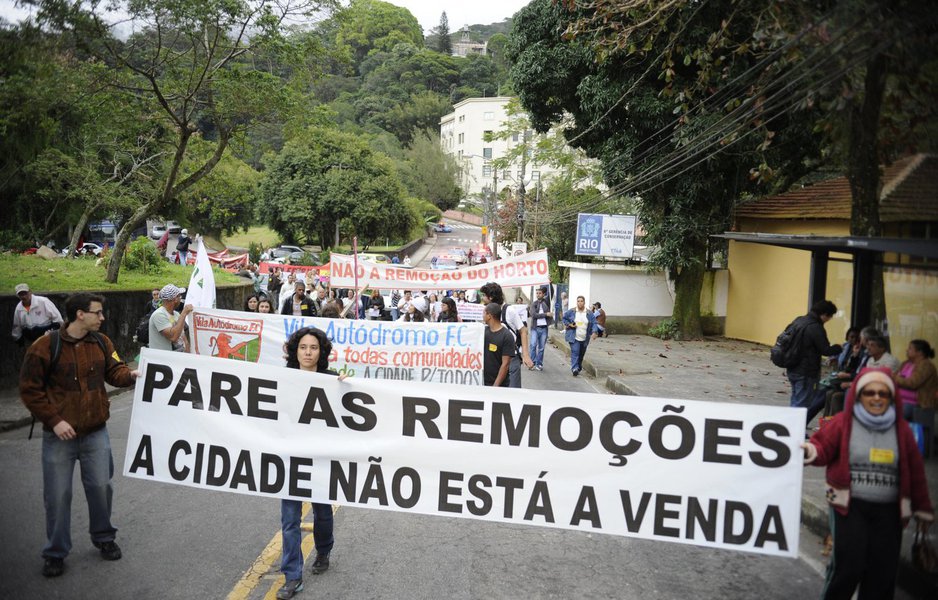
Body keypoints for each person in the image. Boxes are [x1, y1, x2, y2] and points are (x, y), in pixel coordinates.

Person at [19, 293, 141, 578]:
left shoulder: (102, 342)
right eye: (97, 313)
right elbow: (29, 390)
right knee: (58, 496)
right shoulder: (45, 346)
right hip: (59, 437)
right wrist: (55, 420)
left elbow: (115, 371)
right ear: (79, 315)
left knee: (102, 487)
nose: (102, 318)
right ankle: (55, 553)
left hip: (96, 432)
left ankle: (104, 537)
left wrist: (131, 376)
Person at [802, 367, 933, 599]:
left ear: (891, 397)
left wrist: (923, 509)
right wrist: (810, 451)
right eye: (869, 392)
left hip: (890, 512)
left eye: (883, 393)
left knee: (882, 571)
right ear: (859, 395)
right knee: (848, 566)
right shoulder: (843, 423)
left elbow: (916, 472)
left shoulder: (902, 430)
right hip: (849, 507)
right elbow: (822, 447)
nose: (876, 398)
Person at [278, 327, 343, 599]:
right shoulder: (282, 379)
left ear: (322, 352)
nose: (307, 352)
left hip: (321, 458)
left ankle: (324, 549)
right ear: (295, 351)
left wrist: (346, 385)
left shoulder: (332, 380)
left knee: (322, 511)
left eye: (313, 347)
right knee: (290, 519)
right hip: (290, 458)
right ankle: (293, 576)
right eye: (303, 347)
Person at [784, 300, 842, 424]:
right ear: (825, 314)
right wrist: (839, 347)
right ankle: (795, 430)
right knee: (802, 403)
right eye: (830, 317)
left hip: (793, 367)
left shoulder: (799, 320)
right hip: (806, 371)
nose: (828, 320)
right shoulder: (815, 327)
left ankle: (792, 427)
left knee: (795, 399)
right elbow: (825, 350)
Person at [479, 282, 533, 387]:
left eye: (484, 295)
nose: (483, 298)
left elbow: (523, 330)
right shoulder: (486, 311)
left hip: (511, 357)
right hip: (494, 358)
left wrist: (525, 355)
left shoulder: (509, 310)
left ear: (491, 297)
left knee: (512, 391)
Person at [896, 339, 938, 421]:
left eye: (910, 348)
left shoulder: (926, 365)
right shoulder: (906, 363)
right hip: (900, 400)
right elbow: (896, 377)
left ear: (920, 352)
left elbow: (912, 383)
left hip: (916, 404)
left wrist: (895, 377)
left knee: (892, 416)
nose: (907, 350)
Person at [148, 284, 193, 352]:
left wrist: (189, 355)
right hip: (162, 360)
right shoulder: (158, 315)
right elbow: (173, 337)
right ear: (174, 299)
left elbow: (184, 339)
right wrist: (183, 313)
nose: (180, 298)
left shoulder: (176, 314)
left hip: (177, 359)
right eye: (179, 296)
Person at [563, 295, 597, 377]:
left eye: (581, 301)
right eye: (578, 301)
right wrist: (569, 324)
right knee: (575, 351)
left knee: (581, 354)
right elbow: (564, 318)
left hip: (585, 338)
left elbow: (594, 323)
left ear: (584, 302)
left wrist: (594, 332)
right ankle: (574, 368)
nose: (580, 303)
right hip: (573, 336)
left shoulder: (589, 313)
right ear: (576, 302)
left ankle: (578, 366)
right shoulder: (571, 311)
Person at [482, 302, 515, 387]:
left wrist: (495, 387)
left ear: (489, 316)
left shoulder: (507, 336)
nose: (482, 316)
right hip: (482, 383)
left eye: (484, 313)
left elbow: (505, 364)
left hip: (499, 386)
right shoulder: (483, 331)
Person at [528, 287, 552, 371]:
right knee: (533, 345)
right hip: (535, 328)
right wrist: (546, 314)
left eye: (540, 293)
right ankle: (532, 362)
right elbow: (534, 315)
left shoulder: (546, 302)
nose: (538, 294)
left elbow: (551, 292)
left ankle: (539, 363)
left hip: (544, 328)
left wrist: (551, 283)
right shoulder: (533, 304)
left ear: (543, 294)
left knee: (541, 347)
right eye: (537, 293)